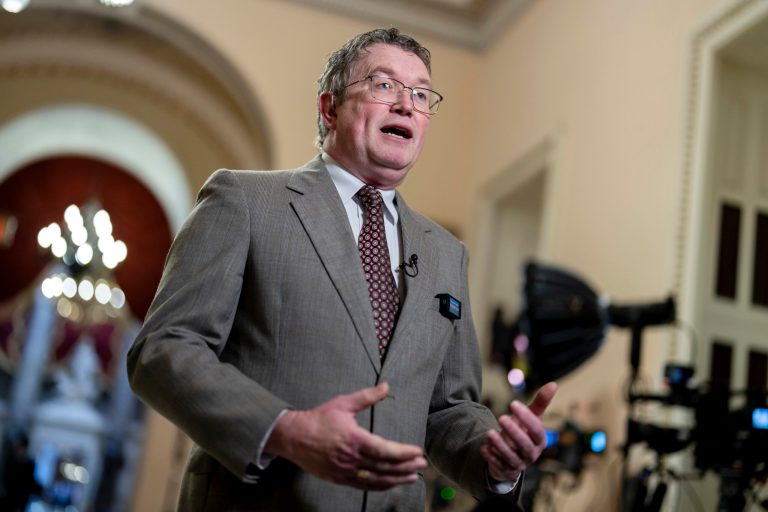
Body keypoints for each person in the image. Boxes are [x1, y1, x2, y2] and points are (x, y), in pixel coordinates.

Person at [127, 27, 557, 512]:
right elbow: (163, 350)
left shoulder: (446, 253)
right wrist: (284, 430)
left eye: (420, 93)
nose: (406, 105)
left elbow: (448, 408)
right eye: (383, 85)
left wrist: (495, 461)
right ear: (329, 107)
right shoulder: (245, 201)